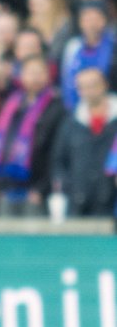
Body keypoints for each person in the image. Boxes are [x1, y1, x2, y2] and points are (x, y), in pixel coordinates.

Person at [0, 55, 64, 216]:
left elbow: (56, 152)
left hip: (35, 191)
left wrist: (42, 189)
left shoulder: (56, 107)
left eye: (39, 73)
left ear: (48, 75)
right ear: (21, 75)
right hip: (7, 188)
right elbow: (1, 144)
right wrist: (0, 186)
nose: (34, 78)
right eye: (30, 72)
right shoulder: (12, 105)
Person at [51, 67, 117, 216]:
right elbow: (59, 161)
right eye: (83, 87)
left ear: (105, 85)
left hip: (111, 203)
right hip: (78, 202)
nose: (89, 91)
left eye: (93, 85)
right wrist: (68, 187)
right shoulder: (71, 123)